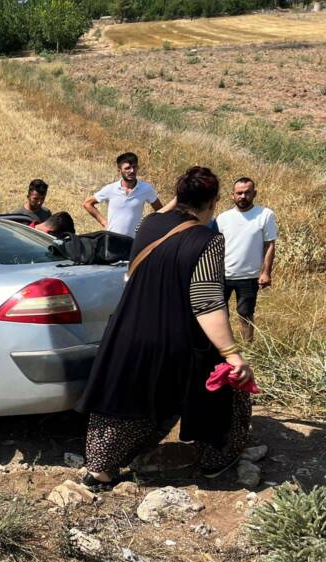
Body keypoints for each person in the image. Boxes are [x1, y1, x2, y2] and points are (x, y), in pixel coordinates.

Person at [78, 166, 254, 487]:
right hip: (177, 339)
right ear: (213, 201)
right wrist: (232, 354)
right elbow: (206, 302)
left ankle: (100, 469)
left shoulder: (149, 224)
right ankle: (216, 458)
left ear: (178, 196)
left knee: (122, 402)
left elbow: (169, 214)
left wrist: (179, 196)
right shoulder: (209, 240)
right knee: (225, 392)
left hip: (128, 333)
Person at [215, 177, 277, 342]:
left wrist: (266, 273)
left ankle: (249, 351)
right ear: (232, 195)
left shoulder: (265, 215)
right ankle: (225, 349)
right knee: (220, 316)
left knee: (245, 314)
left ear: (254, 193)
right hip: (223, 276)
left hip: (249, 276)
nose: (243, 196)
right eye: (239, 193)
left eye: (247, 193)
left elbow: (269, 245)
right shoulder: (223, 218)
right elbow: (215, 246)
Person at [83, 152, 163, 236]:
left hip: (134, 241)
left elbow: (161, 211)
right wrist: (104, 223)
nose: (132, 171)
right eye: (127, 168)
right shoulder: (111, 189)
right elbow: (87, 204)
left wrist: (148, 226)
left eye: (134, 167)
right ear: (119, 170)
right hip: (112, 239)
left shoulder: (146, 189)